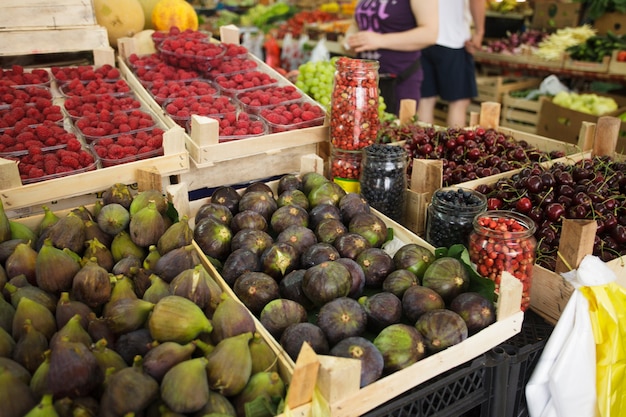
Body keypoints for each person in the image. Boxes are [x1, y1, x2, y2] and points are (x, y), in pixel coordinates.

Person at [344, 0, 438, 115]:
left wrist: (380, 40)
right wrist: (350, 39)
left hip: (400, 80)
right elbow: (357, 23)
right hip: (364, 80)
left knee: (397, 130)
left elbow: (429, 34)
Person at [417, 0, 485, 127]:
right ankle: (454, 145)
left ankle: (421, 145)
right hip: (453, 40)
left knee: (425, 100)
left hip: (423, 39)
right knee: (458, 102)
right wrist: (479, 31)